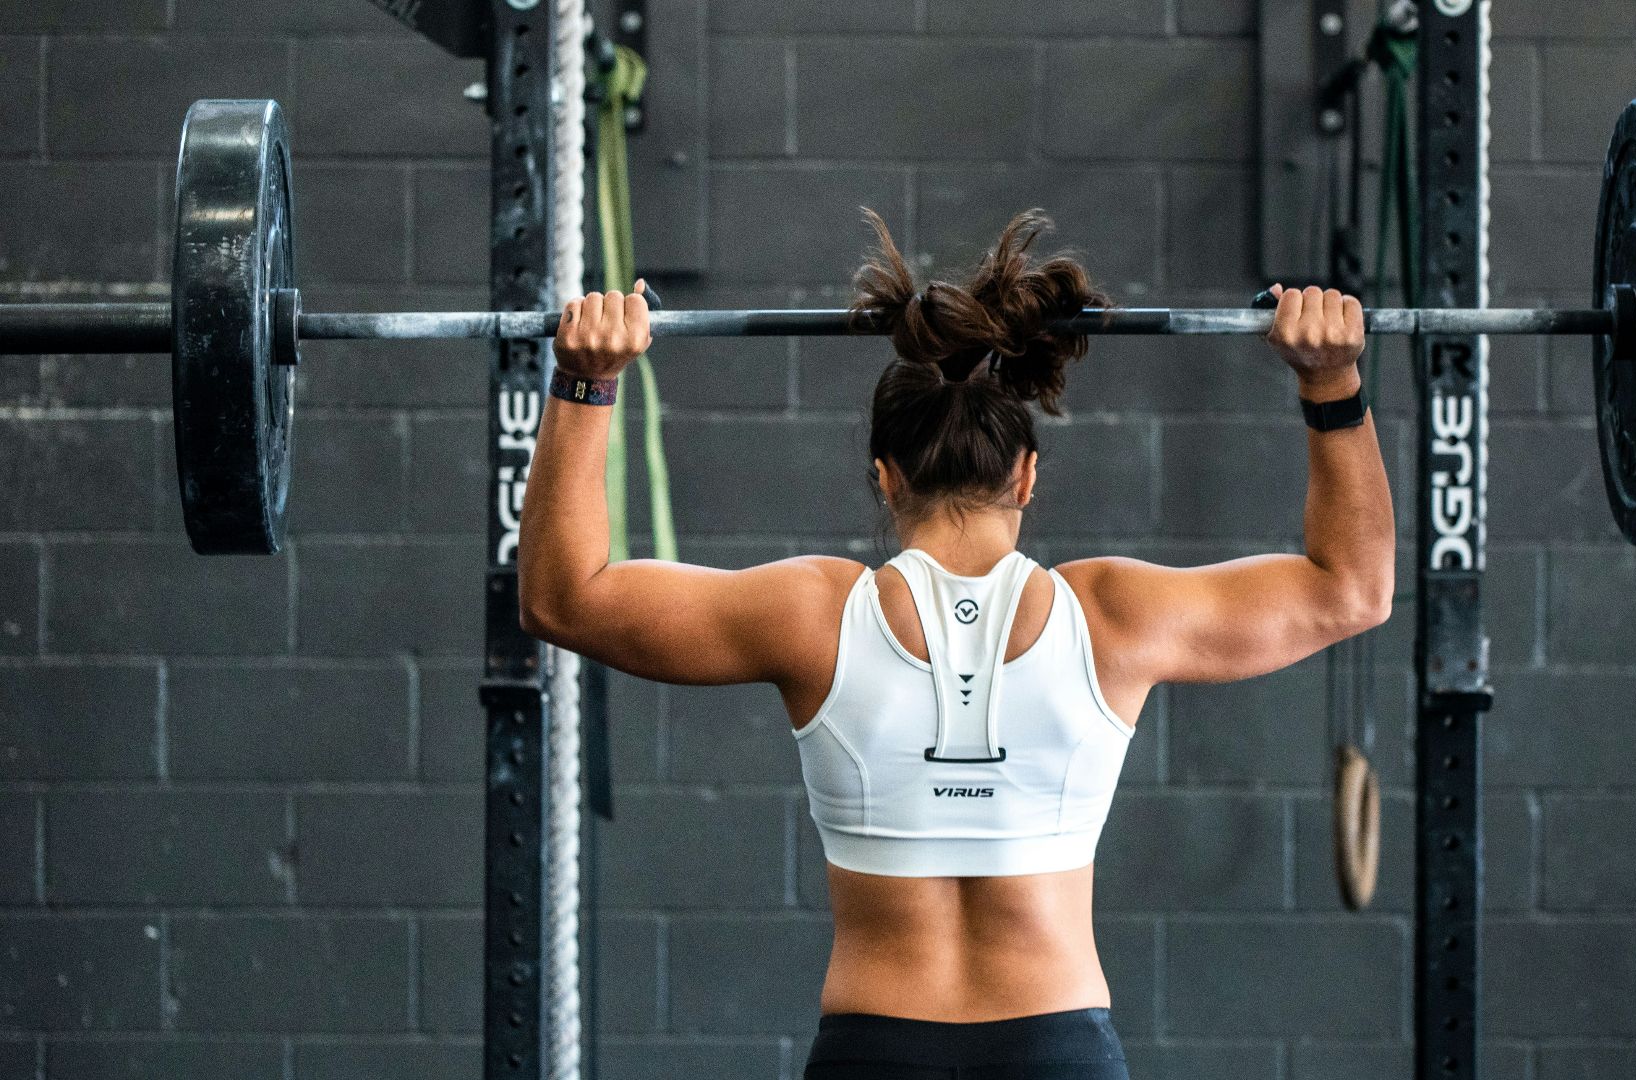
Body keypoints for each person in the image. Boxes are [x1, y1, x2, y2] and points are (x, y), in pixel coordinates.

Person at [518, 209, 1394, 1079]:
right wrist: (1332, 383)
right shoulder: (1113, 615)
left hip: (876, 1050)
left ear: (883, 474)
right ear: (1027, 473)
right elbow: (1351, 589)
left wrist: (586, 384)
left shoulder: (813, 614)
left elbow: (565, 598)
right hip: (1059, 1050)